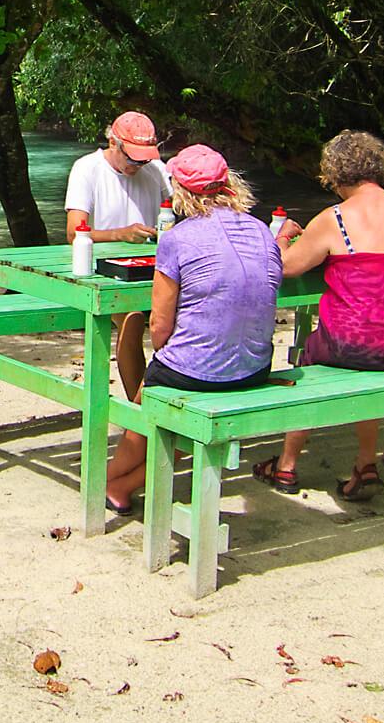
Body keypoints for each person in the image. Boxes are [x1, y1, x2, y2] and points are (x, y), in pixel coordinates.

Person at [252, 130, 384, 502]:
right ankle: (365, 462)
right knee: (360, 368)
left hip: (356, 344)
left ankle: (287, 463)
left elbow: (286, 267)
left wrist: (282, 237)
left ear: (333, 174)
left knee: (306, 357)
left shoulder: (334, 218)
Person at [104, 145, 281, 514]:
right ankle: (120, 484)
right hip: (255, 368)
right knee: (178, 394)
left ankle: (111, 481)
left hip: (201, 372)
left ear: (180, 190)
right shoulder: (262, 232)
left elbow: (160, 323)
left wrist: (166, 353)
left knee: (147, 403)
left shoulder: (177, 238)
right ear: (229, 184)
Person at [65, 111, 174, 399]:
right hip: (105, 272)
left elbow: (179, 208)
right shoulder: (87, 169)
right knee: (132, 317)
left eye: (144, 158)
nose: (138, 164)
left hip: (155, 268)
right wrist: (120, 234)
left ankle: (165, 394)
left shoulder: (156, 170)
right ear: (114, 142)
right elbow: (74, 233)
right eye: (132, 158)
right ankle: (139, 406)